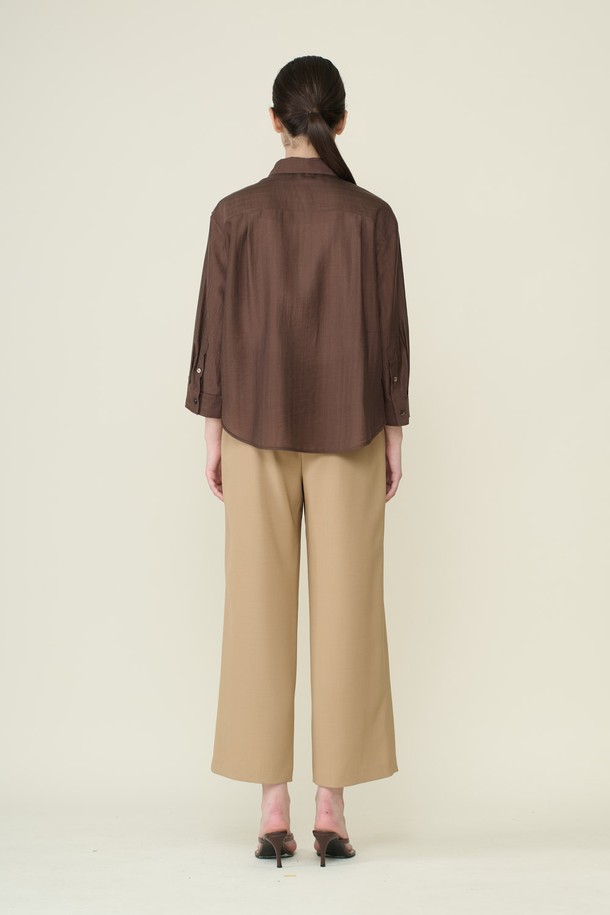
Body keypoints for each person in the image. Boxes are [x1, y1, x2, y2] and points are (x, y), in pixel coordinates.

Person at [184, 55, 411, 867]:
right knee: (350, 609)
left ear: (273, 119)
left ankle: (271, 805)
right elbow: (390, 333)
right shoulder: (372, 217)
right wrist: (393, 432)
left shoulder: (234, 214)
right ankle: (332, 808)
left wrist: (213, 433)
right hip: (352, 425)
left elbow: (213, 329)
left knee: (256, 607)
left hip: (254, 424)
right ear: (340, 121)